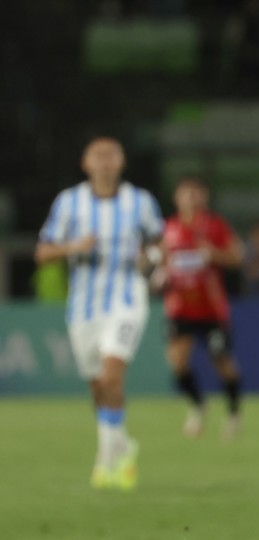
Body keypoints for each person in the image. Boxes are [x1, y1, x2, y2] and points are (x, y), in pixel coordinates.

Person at [34, 136, 164, 491]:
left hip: (127, 301)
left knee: (110, 376)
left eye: (112, 155)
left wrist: (151, 260)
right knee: (97, 386)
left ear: (121, 162)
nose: (105, 161)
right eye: (98, 155)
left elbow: (159, 243)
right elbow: (43, 253)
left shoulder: (140, 201)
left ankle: (105, 461)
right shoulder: (69, 202)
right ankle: (121, 445)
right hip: (83, 307)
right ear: (85, 163)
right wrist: (74, 247)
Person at [156, 176, 245, 440]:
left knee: (223, 362)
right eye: (186, 193)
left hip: (211, 310)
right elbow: (158, 260)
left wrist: (214, 253)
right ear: (176, 198)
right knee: (177, 361)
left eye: (196, 193)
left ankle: (233, 413)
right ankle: (197, 405)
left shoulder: (215, 226)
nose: (191, 199)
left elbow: (237, 256)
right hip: (180, 307)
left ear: (204, 197)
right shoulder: (168, 228)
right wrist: (159, 274)